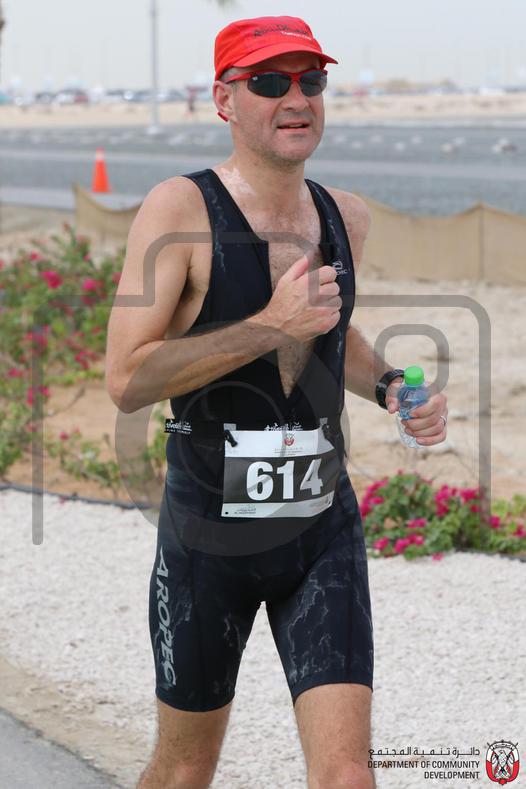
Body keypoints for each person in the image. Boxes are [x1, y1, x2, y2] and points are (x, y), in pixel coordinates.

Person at [105, 15, 448, 789]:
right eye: (269, 81)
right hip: (208, 538)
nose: (296, 98)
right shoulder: (179, 210)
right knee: (185, 769)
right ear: (224, 99)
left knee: (348, 773)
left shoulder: (345, 216)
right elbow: (126, 378)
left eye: (310, 80)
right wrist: (268, 324)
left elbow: (330, 336)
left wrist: (393, 387)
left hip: (320, 530)